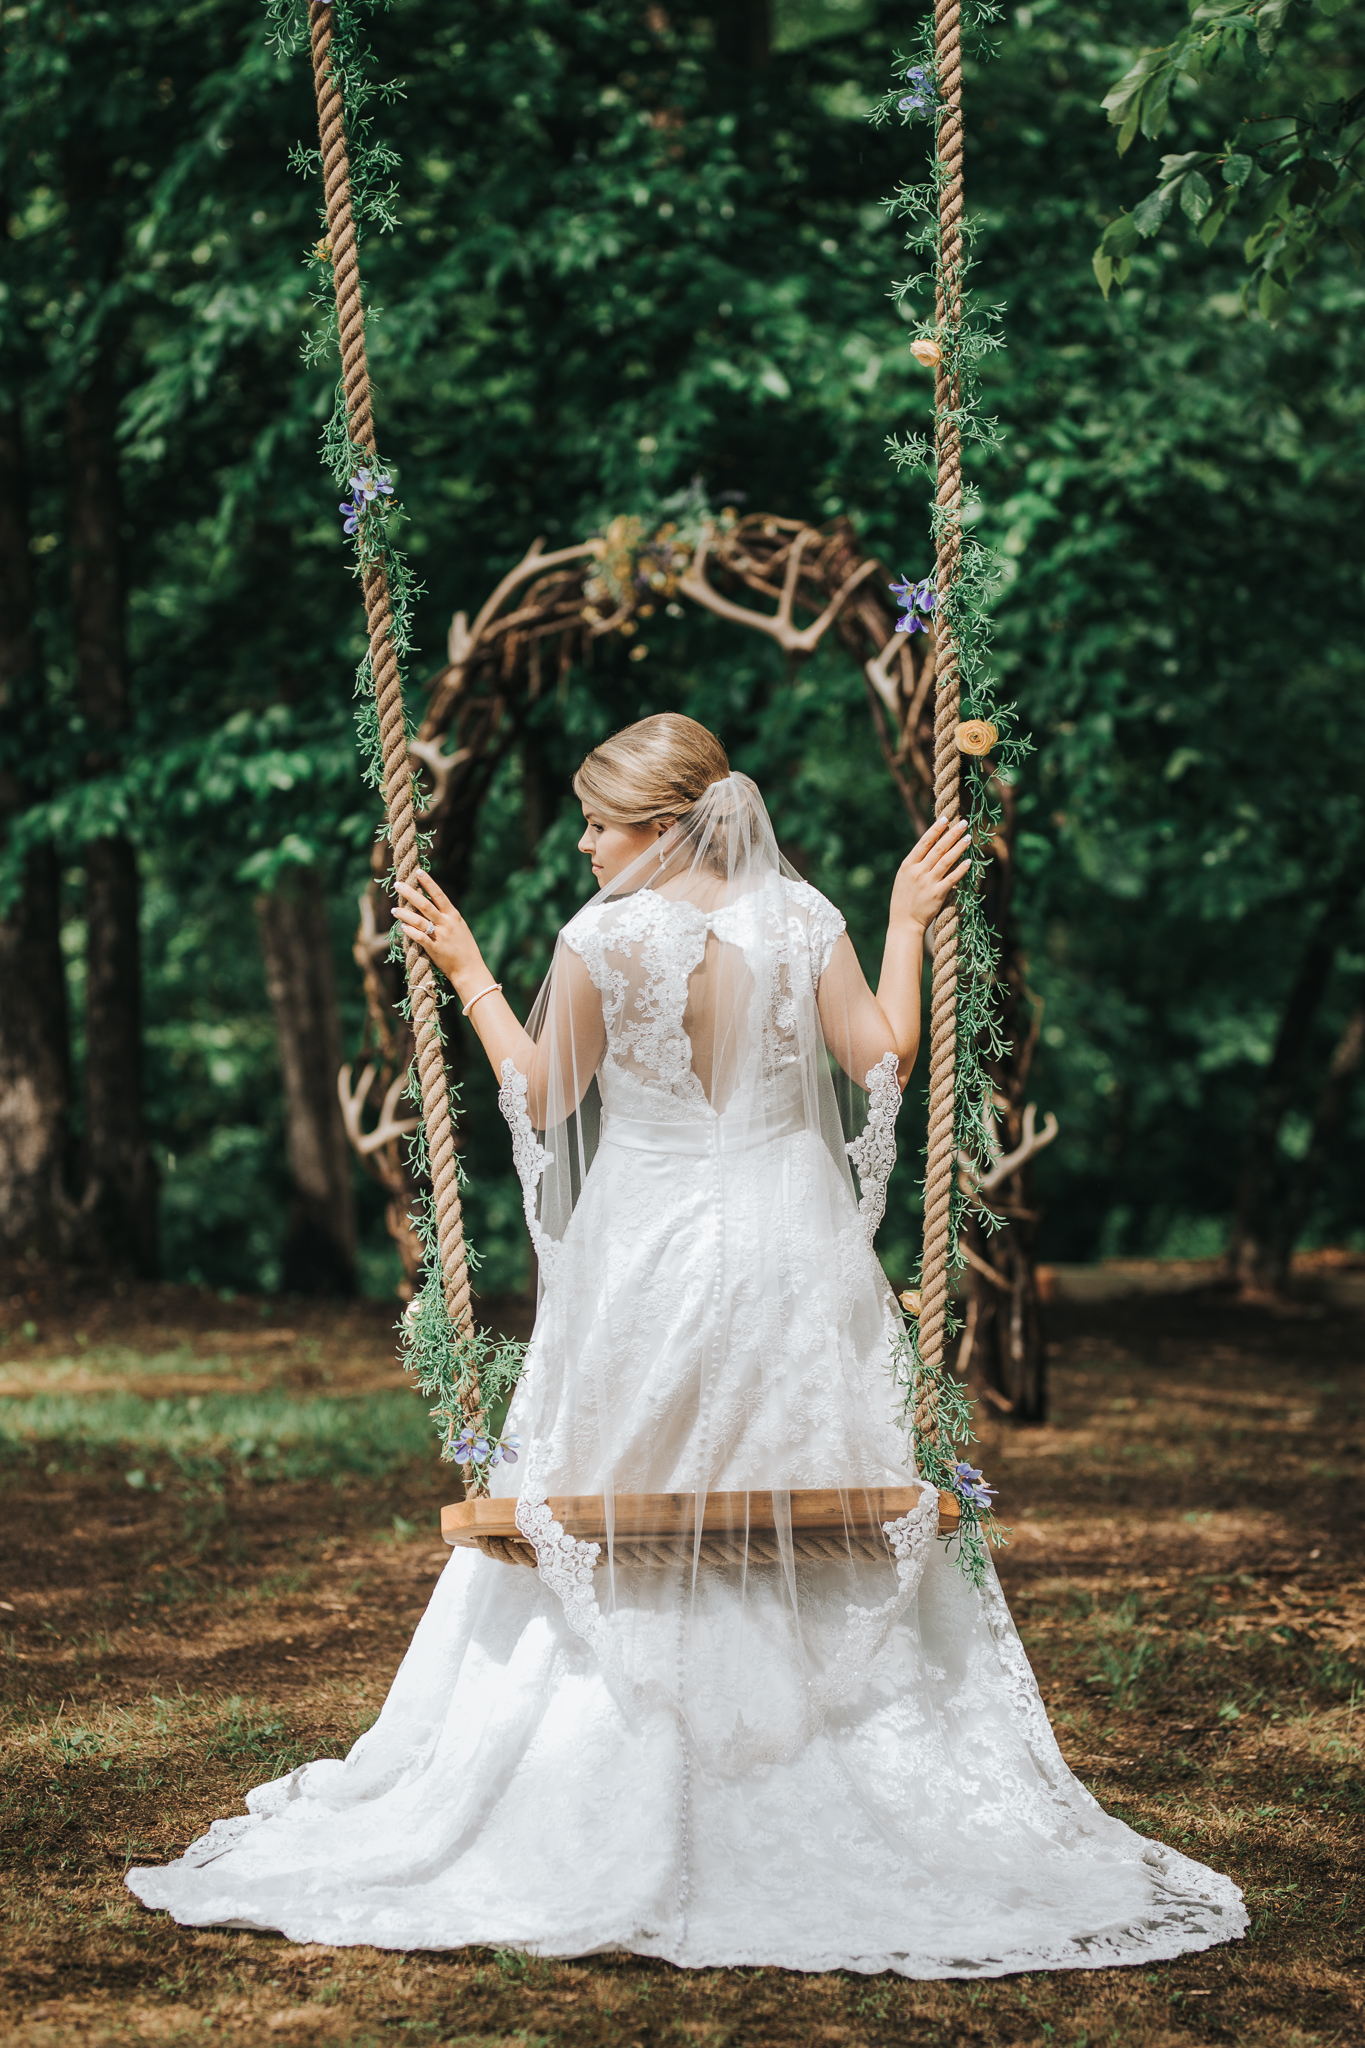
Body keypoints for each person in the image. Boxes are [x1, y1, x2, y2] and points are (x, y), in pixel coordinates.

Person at [127, 713, 1246, 1974]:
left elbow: (543, 1098)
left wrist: (471, 973)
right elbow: (883, 1065)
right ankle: (806, 1747)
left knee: (626, 1478)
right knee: (786, 1464)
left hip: (646, 1249)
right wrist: (904, 919)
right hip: (790, 1243)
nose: (586, 844)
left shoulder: (601, 941)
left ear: (664, 829)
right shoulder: (804, 915)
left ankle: (633, 1751)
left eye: (601, 823)